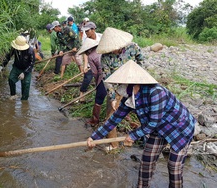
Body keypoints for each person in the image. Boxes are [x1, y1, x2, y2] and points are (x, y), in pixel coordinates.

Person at [87, 59, 196, 188]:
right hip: (156, 129)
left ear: (134, 84)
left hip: (179, 128)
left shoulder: (156, 92)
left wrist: (133, 135)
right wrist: (94, 137)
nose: (120, 88)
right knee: (146, 161)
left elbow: (154, 122)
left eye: (122, 84)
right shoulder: (129, 98)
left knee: (174, 166)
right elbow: (114, 119)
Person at [96, 27, 145, 150]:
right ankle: (114, 145)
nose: (115, 50)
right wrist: (112, 98)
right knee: (111, 117)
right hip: (117, 88)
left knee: (143, 113)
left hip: (134, 85)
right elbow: (107, 79)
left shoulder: (133, 47)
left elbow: (141, 61)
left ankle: (144, 139)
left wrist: (138, 79)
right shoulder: (105, 57)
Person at [77, 38, 106, 127]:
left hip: (104, 76)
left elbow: (95, 73)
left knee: (98, 99)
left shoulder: (91, 56)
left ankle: (94, 120)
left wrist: (97, 84)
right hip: (113, 74)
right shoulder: (102, 51)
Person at [0, 35, 35, 100]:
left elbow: (31, 63)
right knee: (11, 79)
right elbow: (8, 57)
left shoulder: (30, 51)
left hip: (26, 69)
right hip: (16, 67)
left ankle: (24, 101)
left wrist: (24, 73)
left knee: (26, 85)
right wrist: (2, 65)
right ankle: (13, 95)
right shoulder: (14, 49)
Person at [79, 22, 102, 104]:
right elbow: (85, 54)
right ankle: (82, 94)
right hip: (90, 61)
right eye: (85, 31)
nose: (86, 33)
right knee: (87, 78)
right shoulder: (86, 40)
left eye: (87, 31)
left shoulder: (101, 37)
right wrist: (85, 66)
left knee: (100, 80)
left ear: (93, 29)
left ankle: (98, 95)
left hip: (101, 62)